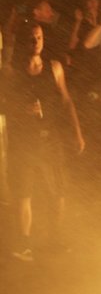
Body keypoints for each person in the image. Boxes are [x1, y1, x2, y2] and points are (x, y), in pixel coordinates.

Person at [3, 21, 85, 261]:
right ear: (23, 41)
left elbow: (67, 101)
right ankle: (25, 244)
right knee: (24, 192)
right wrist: (22, 109)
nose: (36, 43)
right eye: (31, 38)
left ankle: (55, 239)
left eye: (39, 38)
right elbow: (4, 103)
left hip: (50, 139)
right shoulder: (11, 70)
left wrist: (77, 132)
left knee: (57, 191)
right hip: (24, 141)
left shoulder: (54, 67)